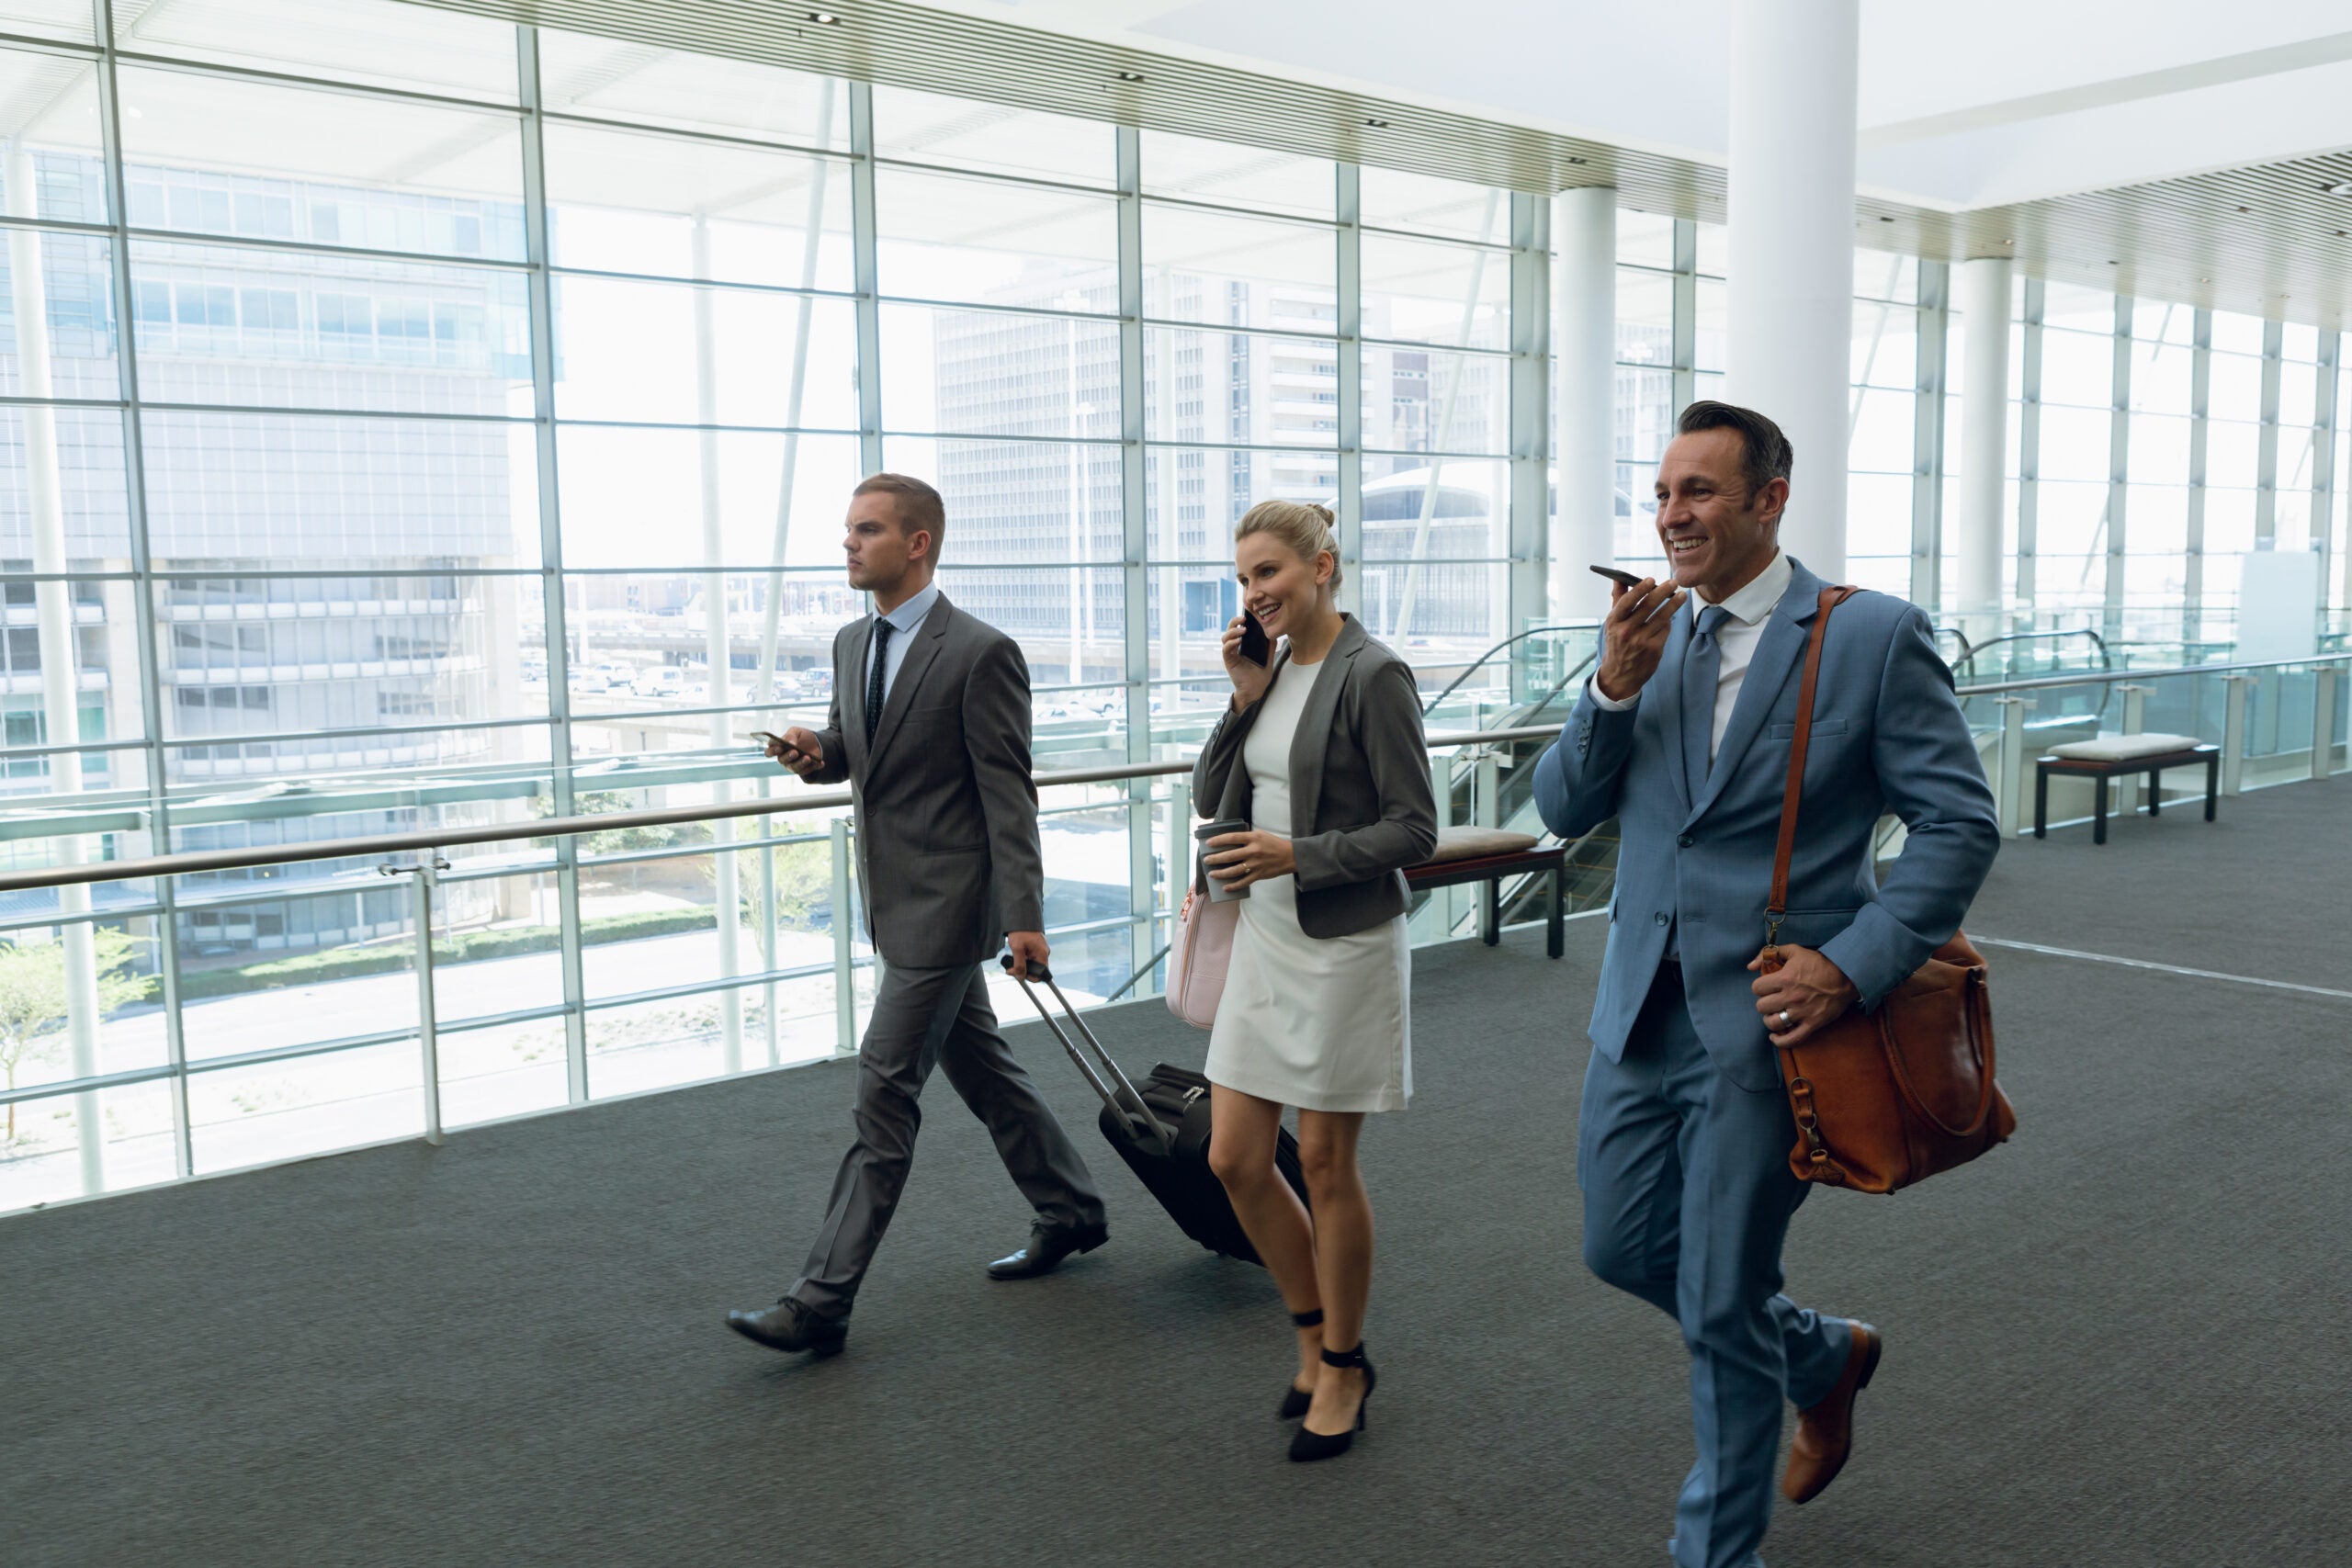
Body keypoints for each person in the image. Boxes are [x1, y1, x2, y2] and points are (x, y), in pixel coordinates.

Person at [1533, 402, 1998, 1566]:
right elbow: (1559, 809)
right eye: (1660, 494)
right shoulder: (1654, 643)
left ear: (1768, 500)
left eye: (1697, 492)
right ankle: (1821, 1356)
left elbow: (1957, 824)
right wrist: (1608, 690)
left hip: (1774, 1028)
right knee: (1620, 1249)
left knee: (1715, 1293)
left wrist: (1850, 966)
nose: (1670, 516)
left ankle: (1715, 1552)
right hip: (1638, 1011)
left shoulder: (1868, 635)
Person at [727, 473, 1109, 1359]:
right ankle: (1073, 1208)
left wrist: (1025, 914)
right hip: (891, 900)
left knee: (884, 1092)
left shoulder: (980, 651)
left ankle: (822, 1299)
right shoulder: (852, 639)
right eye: (848, 530)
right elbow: (859, 753)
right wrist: (815, 752)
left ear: (919, 542)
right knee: (984, 1071)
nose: (849, 544)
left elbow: (1007, 794)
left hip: (949, 906)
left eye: (867, 530)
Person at [1192, 500, 1437, 1462]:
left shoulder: (1372, 674)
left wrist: (1300, 854)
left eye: (1269, 574)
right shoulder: (1275, 665)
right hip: (1265, 939)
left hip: (1342, 945)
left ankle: (1344, 1359)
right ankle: (1306, 1327)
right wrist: (1243, 696)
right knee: (1234, 1160)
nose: (1254, 594)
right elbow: (1217, 800)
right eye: (1244, 579)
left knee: (1327, 1163)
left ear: (1322, 566)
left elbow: (1413, 831)